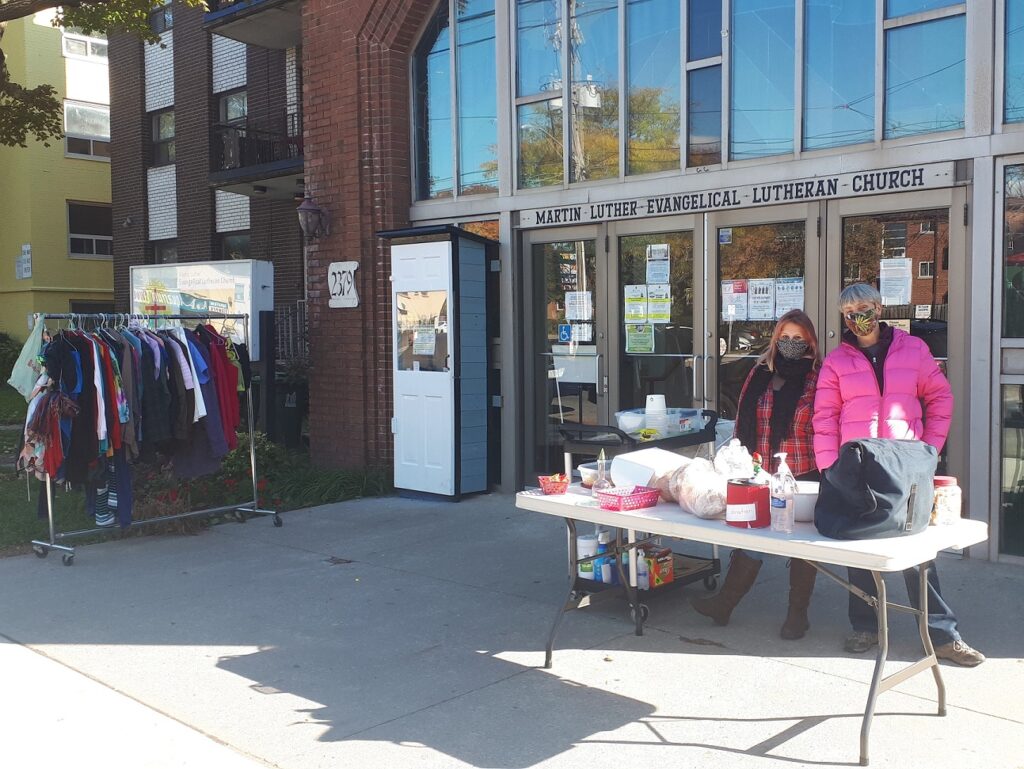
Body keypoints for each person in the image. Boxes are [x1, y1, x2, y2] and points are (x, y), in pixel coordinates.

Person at [813, 283, 984, 667]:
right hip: (856, 466)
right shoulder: (837, 361)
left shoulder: (914, 350)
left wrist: (930, 449)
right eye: (849, 311)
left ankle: (941, 634)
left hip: (905, 466)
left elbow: (940, 398)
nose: (857, 316)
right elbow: (824, 416)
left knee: (917, 551)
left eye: (863, 307)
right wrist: (829, 465)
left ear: (879, 307)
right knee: (858, 550)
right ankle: (865, 626)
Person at [691, 309, 821, 639]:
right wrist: (741, 460)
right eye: (785, 338)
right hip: (760, 470)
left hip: (803, 472)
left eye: (798, 339)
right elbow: (742, 419)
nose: (790, 344)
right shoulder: (761, 370)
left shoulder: (818, 376)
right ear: (776, 339)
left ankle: (798, 615)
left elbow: (826, 424)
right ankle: (725, 604)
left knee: (801, 547)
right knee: (752, 533)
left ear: (810, 342)